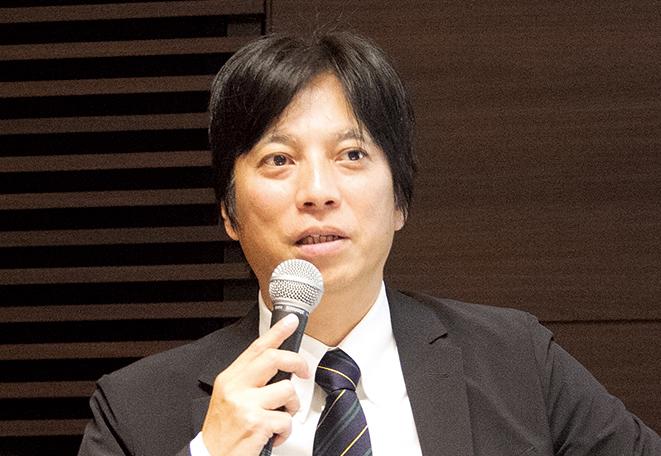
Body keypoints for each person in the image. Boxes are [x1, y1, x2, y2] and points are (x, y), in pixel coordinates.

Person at [78, 31, 660, 456]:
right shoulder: (134, 410)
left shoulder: (515, 361)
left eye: (351, 154)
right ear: (229, 211)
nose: (317, 191)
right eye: (278, 159)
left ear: (400, 199)